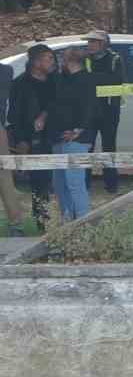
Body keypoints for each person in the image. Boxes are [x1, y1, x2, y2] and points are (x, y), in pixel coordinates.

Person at [9, 44, 58, 229]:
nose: (53, 62)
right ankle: (41, 218)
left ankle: (65, 216)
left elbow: (59, 104)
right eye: (49, 58)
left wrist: (45, 114)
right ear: (36, 62)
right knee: (39, 181)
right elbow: (13, 115)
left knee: (58, 179)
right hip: (33, 139)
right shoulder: (20, 84)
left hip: (56, 135)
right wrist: (21, 140)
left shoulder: (55, 81)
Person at [45, 47, 97, 222]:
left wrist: (78, 130)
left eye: (62, 57)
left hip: (77, 139)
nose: (59, 61)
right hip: (58, 136)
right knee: (59, 184)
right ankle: (66, 221)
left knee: (75, 183)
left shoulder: (87, 80)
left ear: (70, 60)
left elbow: (90, 108)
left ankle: (82, 223)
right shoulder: (62, 79)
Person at [83, 30, 125, 193]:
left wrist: (94, 78)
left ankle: (111, 185)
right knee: (86, 147)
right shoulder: (85, 59)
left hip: (109, 111)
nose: (90, 45)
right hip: (89, 110)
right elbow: (83, 79)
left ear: (103, 44)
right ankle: (85, 184)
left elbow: (116, 80)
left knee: (109, 147)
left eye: (93, 42)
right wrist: (99, 78)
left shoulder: (115, 58)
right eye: (89, 42)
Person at [0, 62, 24, 235]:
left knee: (5, 177)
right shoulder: (6, 70)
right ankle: (16, 225)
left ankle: (16, 224)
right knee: (5, 179)